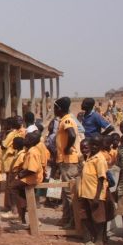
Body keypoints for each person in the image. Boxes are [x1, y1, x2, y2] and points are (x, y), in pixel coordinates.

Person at [79, 137, 109, 245]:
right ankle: (92, 238)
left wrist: (97, 196)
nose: (94, 147)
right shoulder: (88, 157)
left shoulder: (100, 159)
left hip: (95, 194)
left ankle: (99, 241)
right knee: (86, 216)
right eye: (93, 144)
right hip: (85, 193)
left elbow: (101, 179)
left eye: (97, 145)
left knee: (98, 218)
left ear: (101, 146)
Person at [54, 97, 80, 229]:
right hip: (64, 161)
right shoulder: (63, 120)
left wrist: (67, 148)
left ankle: (74, 221)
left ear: (59, 109)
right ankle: (67, 218)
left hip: (69, 162)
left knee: (70, 193)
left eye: (54, 107)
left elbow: (72, 135)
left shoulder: (67, 120)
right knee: (65, 192)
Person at [17, 132, 45, 227]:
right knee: (21, 194)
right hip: (29, 176)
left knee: (13, 187)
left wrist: (21, 174)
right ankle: (22, 217)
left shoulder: (33, 152)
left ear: (31, 141)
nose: (24, 140)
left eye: (27, 138)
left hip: (32, 178)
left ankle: (20, 214)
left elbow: (32, 170)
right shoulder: (30, 150)